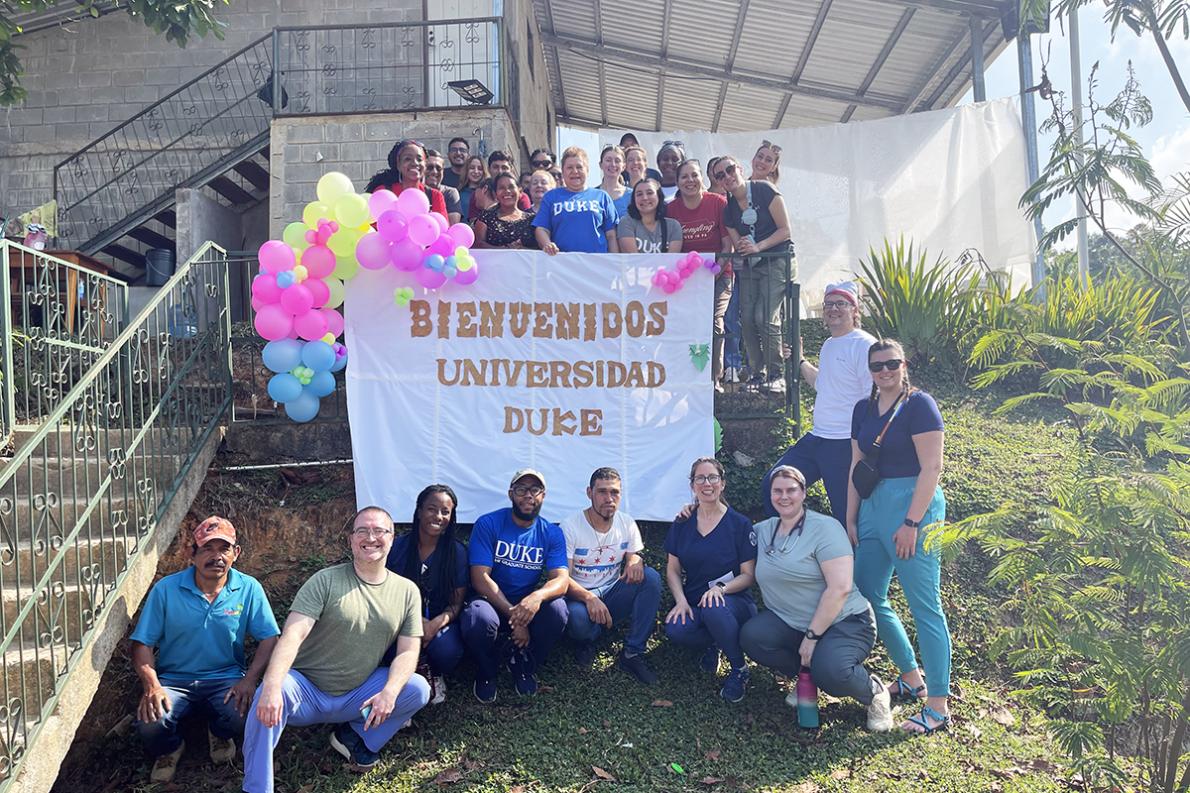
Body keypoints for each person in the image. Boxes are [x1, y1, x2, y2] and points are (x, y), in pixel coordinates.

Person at [243, 508, 430, 791]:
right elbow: (293, 634)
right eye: (362, 531)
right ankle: (256, 786)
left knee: (416, 688)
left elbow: (407, 651)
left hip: (358, 695)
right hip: (306, 692)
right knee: (269, 692)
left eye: (379, 531)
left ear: (392, 539)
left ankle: (356, 739)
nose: (371, 538)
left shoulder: (407, 591)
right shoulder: (325, 580)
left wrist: (389, 693)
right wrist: (270, 685)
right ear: (350, 539)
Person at [846, 338, 951, 734]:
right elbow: (856, 465)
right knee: (867, 592)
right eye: (877, 366)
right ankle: (910, 677)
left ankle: (938, 706)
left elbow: (932, 468)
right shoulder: (863, 409)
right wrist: (851, 517)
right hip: (873, 506)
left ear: (903, 364)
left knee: (926, 606)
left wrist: (911, 523)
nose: (884, 372)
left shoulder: (920, 405)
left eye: (891, 364)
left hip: (914, 509)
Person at [739, 466, 893, 730]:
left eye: (791, 490)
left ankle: (874, 692)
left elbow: (840, 588)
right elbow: (724, 526)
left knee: (830, 671)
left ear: (803, 493)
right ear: (770, 495)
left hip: (845, 621)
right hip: (791, 622)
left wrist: (811, 638)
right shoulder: (763, 531)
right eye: (778, 491)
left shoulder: (826, 528)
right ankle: (805, 678)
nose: (784, 496)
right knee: (753, 637)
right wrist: (693, 511)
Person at [130, 517, 280, 783]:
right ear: (192, 553)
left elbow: (269, 638)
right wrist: (152, 685)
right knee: (151, 723)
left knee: (245, 717)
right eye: (207, 549)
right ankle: (170, 748)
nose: (216, 556)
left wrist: (250, 679)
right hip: (173, 679)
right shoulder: (166, 589)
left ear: (236, 553)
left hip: (226, 677)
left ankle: (219, 732)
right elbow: (143, 643)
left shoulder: (248, 588)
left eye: (224, 549)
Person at [762, 281, 875, 524]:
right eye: (829, 304)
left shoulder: (865, 344)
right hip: (817, 440)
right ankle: (795, 549)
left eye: (841, 304)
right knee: (773, 484)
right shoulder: (829, 345)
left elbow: (875, 399)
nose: (833, 309)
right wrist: (800, 360)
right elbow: (821, 383)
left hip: (845, 444)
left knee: (847, 517)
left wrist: (864, 447)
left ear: (855, 310)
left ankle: (852, 562)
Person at [461, 469, 570, 702]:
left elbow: (561, 580)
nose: (528, 496)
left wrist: (536, 598)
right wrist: (515, 617)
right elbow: (480, 578)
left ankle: (523, 662)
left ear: (544, 495)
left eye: (535, 490)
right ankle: (486, 669)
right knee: (477, 617)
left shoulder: (551, 532)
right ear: (511, 494)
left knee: (558, 610)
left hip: (526, 605)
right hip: (491, 602)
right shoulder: (488, 523)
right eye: (521, 490)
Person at [664, 457, 758, 703]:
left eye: (713, 477)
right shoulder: (682, 523)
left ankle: (739, 669)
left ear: (723, 483)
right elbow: (672, 569)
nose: (707, 483)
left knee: (714, 605)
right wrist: (681, 601)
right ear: (693, 485)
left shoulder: (739, 524)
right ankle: (714, 642)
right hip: (696, 602)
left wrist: (722, 589)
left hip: (733, 603)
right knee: (676, 629)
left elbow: (749, 575)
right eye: (700, 478)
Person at [562, 468, 662, 685]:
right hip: (581, 597)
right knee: (578, 619)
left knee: (651, 578)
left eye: (614, 492)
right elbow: (562, 578)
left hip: (613, 592)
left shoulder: (626, 523)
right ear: (589, 493)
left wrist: (635, 561)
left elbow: (634, 556)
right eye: (602, 492)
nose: (609, 499)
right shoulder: (570, 526)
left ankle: (632, 653)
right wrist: (589, 599)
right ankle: (588, 639)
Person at [716, 155, 793, 395]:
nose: (727, 177)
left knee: (764, 316)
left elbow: (786, 230)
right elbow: (738, 244)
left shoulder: (764, 190)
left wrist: (759, 247)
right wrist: (744, 249)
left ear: (739, 168)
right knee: (747, 320)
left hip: (776, 261)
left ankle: (776, 373)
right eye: (720, 175)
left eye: (729, 170)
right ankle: (757, 373)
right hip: (750, 267)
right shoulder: (728, 210)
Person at [385, 484, 468, 705]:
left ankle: (435, 673)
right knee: (389, 645)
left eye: (445, 511)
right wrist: (414, 621)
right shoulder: (397, 547)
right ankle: (402, 680)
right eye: (432, 509)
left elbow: (456, 602)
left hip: (440, 621)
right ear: (419, 510)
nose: (438, 516)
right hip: (401, 619)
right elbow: (383, 593)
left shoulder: (457, 553)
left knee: (447, 649)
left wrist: (435, 624)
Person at [668, 159, 733, 392]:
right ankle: (694, 372)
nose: (690, 181)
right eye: (684, 177)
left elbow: (728, 244)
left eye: (694, 175)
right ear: (677, 182)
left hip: (719, 274)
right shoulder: (671, 209)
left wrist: (715, 273)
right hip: (687, 278)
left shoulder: (718, 203)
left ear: (702, 179)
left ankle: (713, 378)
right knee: (691, 326)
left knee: (714, 322)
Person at [534, 146, 619, 255]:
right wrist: (547, 244)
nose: (575, 171)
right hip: (562, 264)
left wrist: (615, 263)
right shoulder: (551, 197)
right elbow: (541, 229)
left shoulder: (602, 197)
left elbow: (611, 235)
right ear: (563, 172)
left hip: (597, 265)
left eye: (579, 167)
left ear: (587, 170)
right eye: (570, 167)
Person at [364, 139, 448, 219]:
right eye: (407, 159)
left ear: (425, 165)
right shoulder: (383, 192)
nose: (415, 163)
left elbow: (442, 229)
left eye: (419, 159)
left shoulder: (435, 196)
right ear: (398, 165)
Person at [617, 178, 683, 254]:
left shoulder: (673, 226)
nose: (645, 198)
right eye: (639, 194)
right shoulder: (626, 223)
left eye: (649, 193)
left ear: (659, 196)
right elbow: (633, 259)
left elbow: (671, 260)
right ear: (634, 199)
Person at [473, 173, 536, 249]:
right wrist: (505, 249)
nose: (507, 191)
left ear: (520, 191)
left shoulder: (532, 219)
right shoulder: (485, 218)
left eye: (511, 187)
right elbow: (478, 244)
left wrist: (522, 249)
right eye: (501, 188)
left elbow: (540, 249)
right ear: (495, 194)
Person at [468, 149, 532, 222]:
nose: (500, 171)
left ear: (511, 170)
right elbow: (473, 226)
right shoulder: (479, 194)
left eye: (504, 168)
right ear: (489, 169)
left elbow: (527, 224)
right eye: (495, 167)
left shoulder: (521, 197)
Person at [424, 148, 463, 224]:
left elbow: (453, 225)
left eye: (438, 168)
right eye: (429, 167)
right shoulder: (414, 192)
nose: (434, 172)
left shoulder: (450, 193)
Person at [598, 144, 631, 217]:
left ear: (623, 166)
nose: (613, 164)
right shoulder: (592, 194)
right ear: (600, 165)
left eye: (617, 161)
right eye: (608, 160)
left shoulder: (632, 196)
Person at [457, 155, 487, 221]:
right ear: (466, 170)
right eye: (472, 168)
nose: (476, 171)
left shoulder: (487, 194)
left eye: (480, 168)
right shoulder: (458, 194)